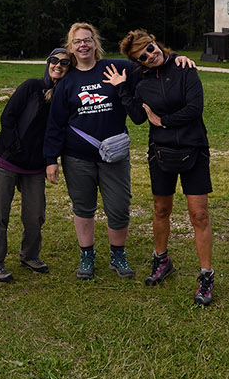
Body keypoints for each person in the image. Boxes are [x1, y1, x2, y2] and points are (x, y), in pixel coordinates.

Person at [42, 22, 194, 281]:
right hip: (77, 156)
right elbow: (55, 122)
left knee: (119, 207)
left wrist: (176, 58)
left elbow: (150, 62)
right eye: (77, 41)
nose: (83, 45)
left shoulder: (115, 68)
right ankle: (87, 255)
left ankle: (117, 254)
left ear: (95, 43)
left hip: (114, 155)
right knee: (83, 206)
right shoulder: (68, 81)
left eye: (88, 40)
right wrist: (50, 159)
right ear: (71, 47)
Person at [112, 29, 216, 306]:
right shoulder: (139, 79)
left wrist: (163, 121)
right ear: (139, 62)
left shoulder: (184, 68)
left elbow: (195, 108)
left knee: (199, 215)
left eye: (150, 47)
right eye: (142, 56)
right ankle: (162, 260)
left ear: (156, 42)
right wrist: (123, 89)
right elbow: (136, 117)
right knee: (161, 209)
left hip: (193, 149)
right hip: (161, 153)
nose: (150, 54)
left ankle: (206, 275)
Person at [0, 48, 71, 282]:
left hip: (35, 166)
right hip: (7, 160)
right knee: (0, 214)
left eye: (64, 62)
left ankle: (30, 255)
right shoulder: (31, 86)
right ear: (48, 62)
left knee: (35, 215)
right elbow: (7, 117)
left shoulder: (64, 97)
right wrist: (15, 148)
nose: (58, 65)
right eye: (54, 60)